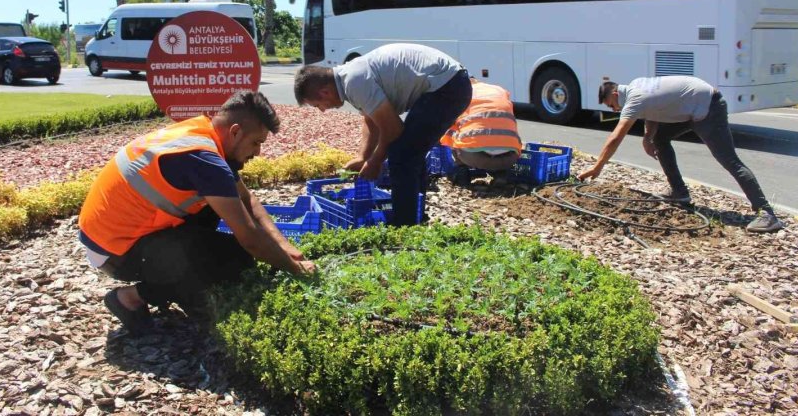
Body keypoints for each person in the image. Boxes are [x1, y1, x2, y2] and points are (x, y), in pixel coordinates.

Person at [78, 91, 316, 335]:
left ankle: (183, 285)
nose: (257, 153)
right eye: (256, 142)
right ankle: (131, 297)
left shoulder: (202, 134)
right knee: (234, 260)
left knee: (221, 215)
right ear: (235, 132)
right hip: (115, 252)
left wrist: (284, 246)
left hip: (115, 237)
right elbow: (251, 239)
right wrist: (296, 269)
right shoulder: (203, 160)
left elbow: (247, 201)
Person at [294, 43, 472, 226]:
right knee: (409, 152)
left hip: (448, 87)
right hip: (447, 83)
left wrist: (375, 161)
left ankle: (405, 224)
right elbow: (371, 120)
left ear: (325, 92)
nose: (322, 110)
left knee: (402, 154)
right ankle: (414, 215)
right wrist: (362, 157)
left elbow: (393, 128)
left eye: (318, 105)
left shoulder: (354, 81)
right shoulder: (348, 77)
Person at [578, 76, 783, 233]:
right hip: (694, 105)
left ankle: (766, 213)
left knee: (729, 160)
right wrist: (648, 137)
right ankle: (680, 192)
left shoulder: (634, 98)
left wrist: (597, 167)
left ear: (614, 93)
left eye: (611, 105)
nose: (614, 109)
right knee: (660, 139)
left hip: (708, 107)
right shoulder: (637, 85)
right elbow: (653, 111)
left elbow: (616, 136)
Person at [440, 78, 523, 174]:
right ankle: (501, 174)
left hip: (474, 157)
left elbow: (446, 125)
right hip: (510, 158)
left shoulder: (461, 93)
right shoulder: (499, 90)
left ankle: (462, 172)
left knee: (453, 130)